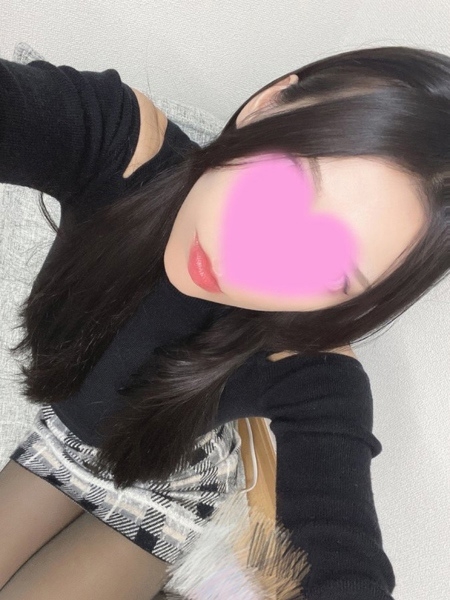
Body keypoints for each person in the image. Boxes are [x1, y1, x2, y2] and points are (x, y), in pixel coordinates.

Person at [0, 44, 448, 599]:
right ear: (267, 105)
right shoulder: (118, 149)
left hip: (168, 485)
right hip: (58, 440)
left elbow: (341, 550)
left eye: (327, 266)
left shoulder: (307, 367)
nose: (246, 261)